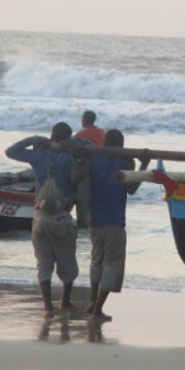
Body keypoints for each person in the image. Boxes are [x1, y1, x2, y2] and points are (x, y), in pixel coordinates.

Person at [5, 122, 83, 318]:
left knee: (44, 262)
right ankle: (65, 302)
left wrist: (33, 139)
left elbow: (11, 151)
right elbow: (89, 145)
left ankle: (48, 307)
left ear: (51, 135)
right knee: (67, 260)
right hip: (63, 216)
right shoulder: (71, 155)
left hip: (41, 216)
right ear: (68, 137)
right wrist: (73, 142)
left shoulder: (39, 156)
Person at [72, 129, 150, 322]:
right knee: (112, 264)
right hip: (114, 220)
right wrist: (144, 164)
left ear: (104, 143)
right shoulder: (126, 161)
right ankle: (97, 309)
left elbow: (76, 177)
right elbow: (131, 189)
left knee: (97, 260)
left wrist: (80, 159)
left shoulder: (94, 158)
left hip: (95, 219)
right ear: (121, 145)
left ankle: (92, 301)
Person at [74, 110, 106, 228]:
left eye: (82, 119)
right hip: (101, 169)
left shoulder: (80, 135)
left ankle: (84, 224)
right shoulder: (102, 133)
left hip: (85, 170)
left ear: (85, 120)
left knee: (83, 200)